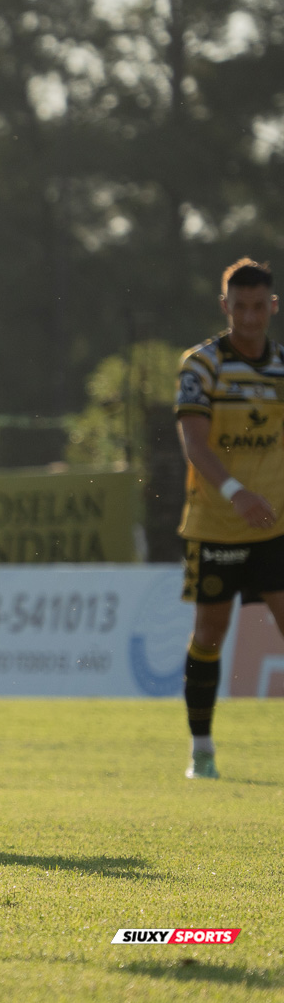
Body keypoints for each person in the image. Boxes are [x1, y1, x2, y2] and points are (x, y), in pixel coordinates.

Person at [173, 257, 284, 781]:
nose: (249, 317)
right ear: (225, 307)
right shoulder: (201, 365)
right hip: (216, 523)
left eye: (258, 307)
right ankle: (201, 748)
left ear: (272, 307)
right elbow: (195, 443)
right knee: (211, 633)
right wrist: (238, 493)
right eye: (239, 307)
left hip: (274, 525)